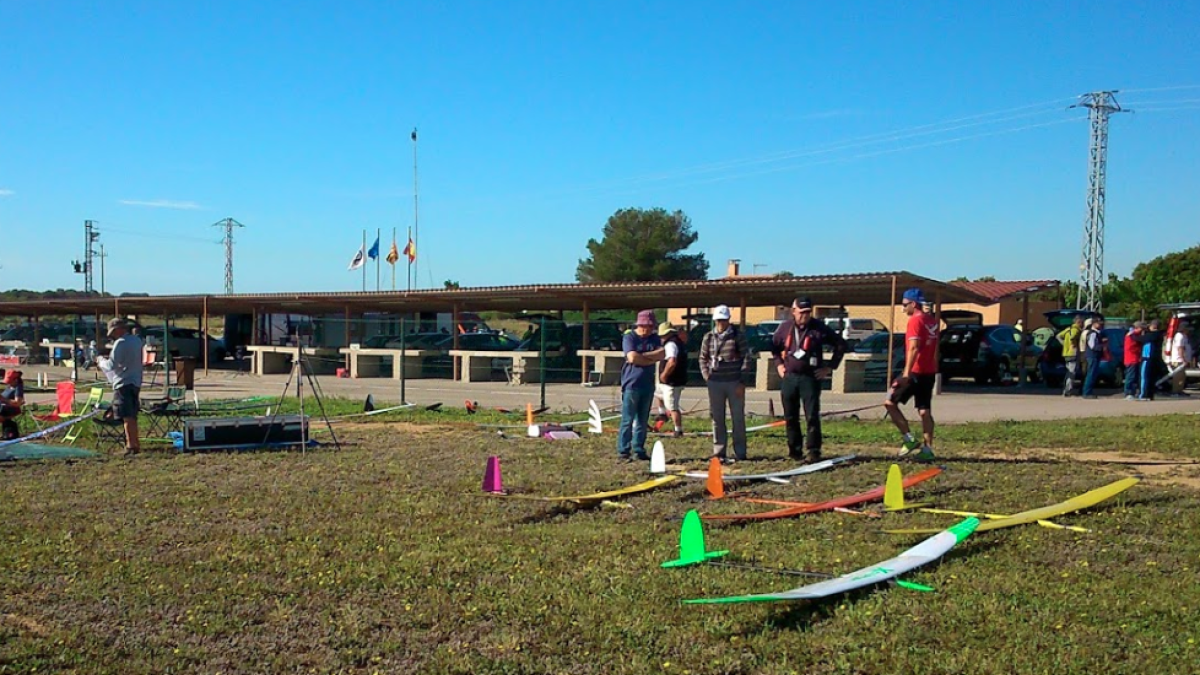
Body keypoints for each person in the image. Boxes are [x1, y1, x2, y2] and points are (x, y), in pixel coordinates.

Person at [770, 297, 847, 463]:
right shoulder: (785, 328)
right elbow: (774, 348)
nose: (805, 315)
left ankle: (813, 450)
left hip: (810, 378)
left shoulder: (818, 328)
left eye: (808, 312)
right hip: (790, 377)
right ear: (794, 312)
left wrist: (829, 367)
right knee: (790, 416)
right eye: (802, 312)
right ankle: (794, 450)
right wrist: (779, 365)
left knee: (811, 415)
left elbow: (840, 345)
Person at [883, 289, 939, 462]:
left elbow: (914, 347)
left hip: (914, 371)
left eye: (905, 304)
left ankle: (909, 439)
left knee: (889, 402)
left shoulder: (915, 320)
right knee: (924, 410)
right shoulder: (932, 321)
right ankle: (928, 449)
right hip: (929, 372)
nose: (903, 308)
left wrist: (906, 371)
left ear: (914, 304)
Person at [700, 305, 752, 464]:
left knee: (737, 418)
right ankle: (719, 451)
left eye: (724, 320)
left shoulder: (738, 336)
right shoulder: (708, 337)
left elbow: (746, 358)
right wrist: (706, 376)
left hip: (734, 381)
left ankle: (740, 452)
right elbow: (703, 358)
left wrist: (742, 381)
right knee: (717, 418)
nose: (721, 323)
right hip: (715, 382)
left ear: (729, 320)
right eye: (718, 320)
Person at [617, 310, 665, 462]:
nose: (648, 329)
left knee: (643, 420)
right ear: (639, 325)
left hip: (647, 384)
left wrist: (641, 358)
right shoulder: (629, 337)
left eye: (651, 326)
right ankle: (624, 450)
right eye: (645, 326)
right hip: (631, 384)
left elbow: (662, 354)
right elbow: (631, 357)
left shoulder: (654, 338)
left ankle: (639, 449)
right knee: (627, 419)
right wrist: (649, 358)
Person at [101, 317, 144, 455]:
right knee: (132, 414)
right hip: (135, 381)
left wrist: (101, 361)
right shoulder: (137, 341)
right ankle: (135, 443)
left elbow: (111, 365)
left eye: (113, 332)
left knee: (126, 415)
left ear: (119, 329)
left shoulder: (120, 344)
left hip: (123, 382)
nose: (113, 336)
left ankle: (131, 446)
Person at [654, 322, 688, 437]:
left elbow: (672, 362)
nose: (661, 338)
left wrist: (664, 374)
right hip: (672, 380)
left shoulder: (671, 345)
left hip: (671, 381)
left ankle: (678, 429)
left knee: (673, 407)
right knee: (658, 394)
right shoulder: (679, 343)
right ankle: (662, 413)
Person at [1056, 315, 1085, 397]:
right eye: (1081, 323)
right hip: (1073, 353)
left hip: (1066, 353)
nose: (1082, 324)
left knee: (1068, 372)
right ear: (1078, 322)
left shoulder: (1068, 329)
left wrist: (1064, 344)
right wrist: (1073, 344)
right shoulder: (1076, 330)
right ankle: (1068, 391)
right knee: (1072, 373)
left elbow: (1058, 336)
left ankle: (1065, 389)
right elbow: (1073, 337)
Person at [1081, 317, 1107, 399]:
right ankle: (1087, 392)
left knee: (1093, 374)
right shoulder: (1092, 333)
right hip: (1092, 356)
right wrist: (1102, 347)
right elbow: (1092, 346)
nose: (1101, 325)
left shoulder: (1097, 333)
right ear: (1094, 324)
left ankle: (1088, 391)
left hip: (1094, 356)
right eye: (1099, 323)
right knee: (1091, 374)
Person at [1168, 322, 1193, 396]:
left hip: (1182, 360)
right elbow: (1180, 348)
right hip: (1178, 360)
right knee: (1177, 376)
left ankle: (1180, 390)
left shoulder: (1184, 336)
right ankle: (1175, 391)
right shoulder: (1179, 336)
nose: (1188, 331)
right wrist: (1183, 359)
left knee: (1182, 376)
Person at [1123, 322, 1146, 400]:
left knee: (1134, 377)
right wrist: (1140, 350)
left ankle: (1132, 392)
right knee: (1130, 377)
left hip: (1135, 359)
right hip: (1131, 359)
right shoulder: (1132, 335)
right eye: (1142, 329)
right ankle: (1128, 393)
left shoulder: (1135, 335)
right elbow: (1131, 348)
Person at [0, 369, 25, 440]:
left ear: (15, 380)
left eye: (9, 382)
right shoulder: (10, 386)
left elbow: (17, 403)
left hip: (10, 410)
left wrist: (3, 399)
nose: (8, 383)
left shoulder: (18, 388)